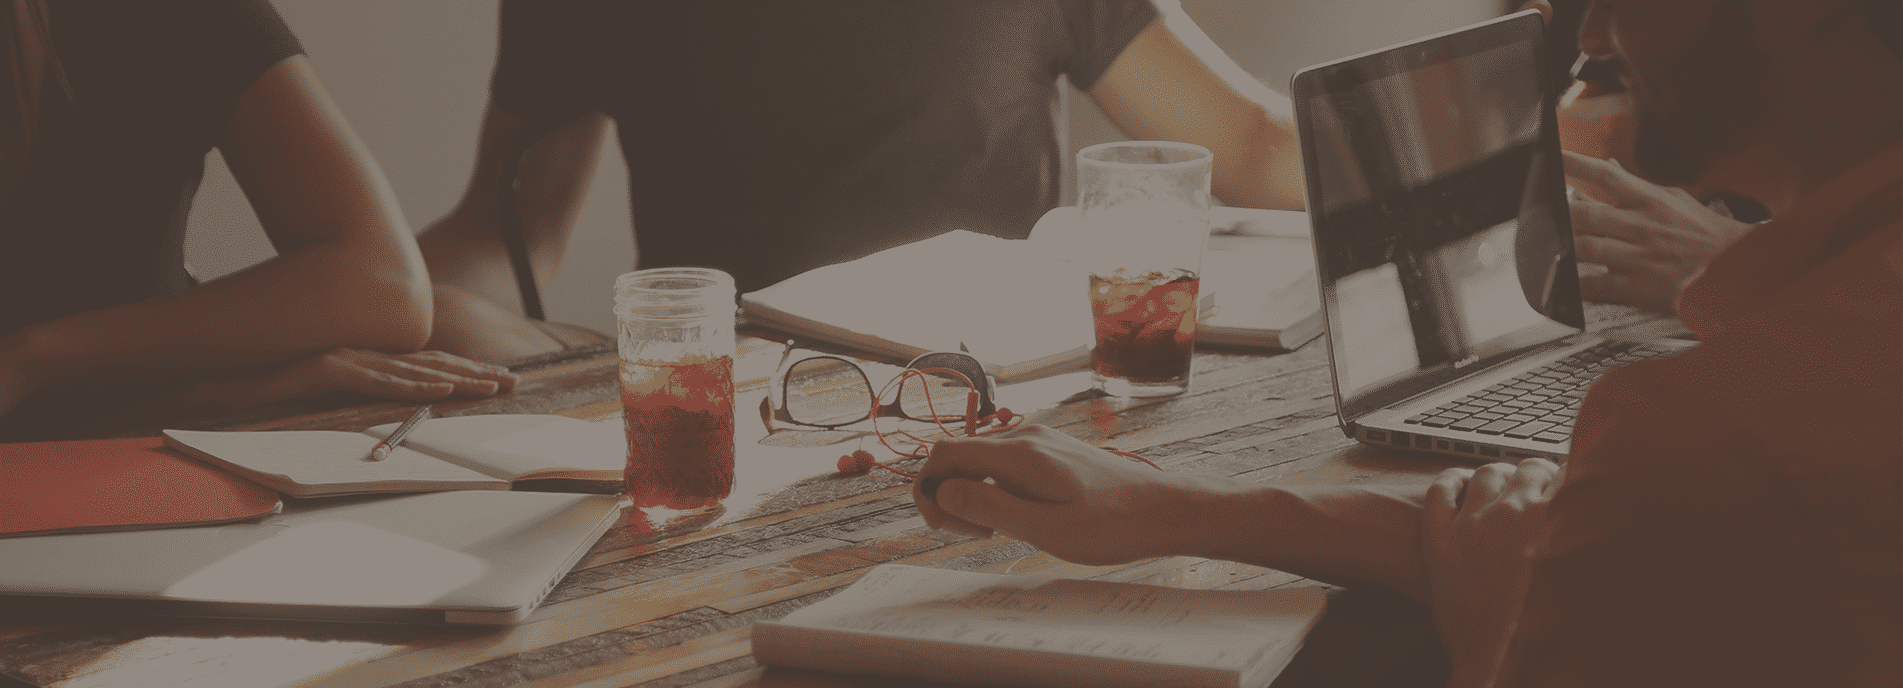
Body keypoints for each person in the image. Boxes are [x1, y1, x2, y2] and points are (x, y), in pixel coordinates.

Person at [914, 1, 1903, 685]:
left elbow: (1645, 523)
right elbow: (1577, 533)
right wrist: (1178, 508)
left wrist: (1493, 633)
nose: (1594, 33)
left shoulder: (1712, 441)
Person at [417, 0, 1307, 362]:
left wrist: (1393, 147)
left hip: (997, 404)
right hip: (742, 409)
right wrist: (395, 306)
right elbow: (503, 230)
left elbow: (1248, 148)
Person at [0, 0, 517, 426]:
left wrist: (34, 357)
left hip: (151, 429)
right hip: (109, 442)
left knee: (462, 328)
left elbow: (383, 283)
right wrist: (220, 397)